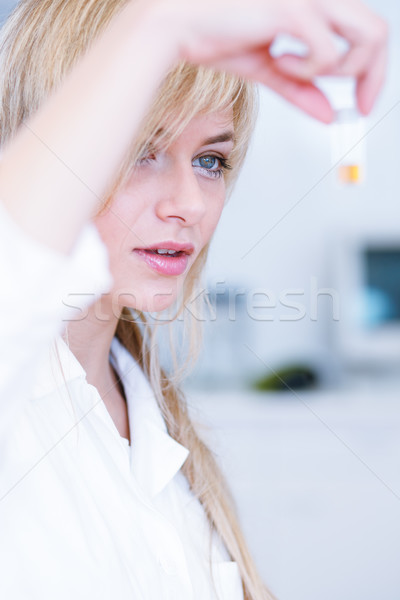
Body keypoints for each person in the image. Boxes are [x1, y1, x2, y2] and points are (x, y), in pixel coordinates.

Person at [0, 1, 387, 599]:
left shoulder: (155, 419)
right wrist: (158, 22)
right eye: (138, 151)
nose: (191, 204)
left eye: (210, 160)